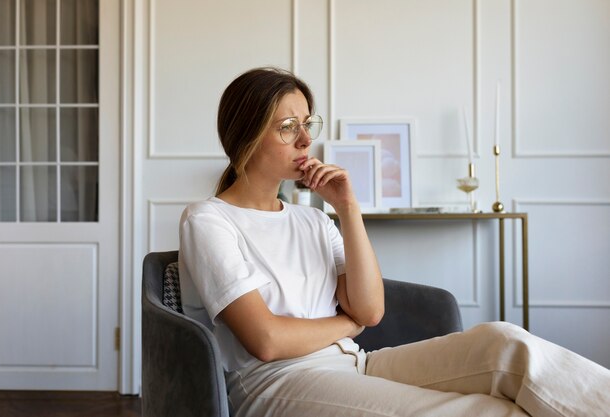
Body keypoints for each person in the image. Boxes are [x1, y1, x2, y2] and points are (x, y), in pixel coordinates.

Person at [179, 67, 610, 417]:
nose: (308, 140)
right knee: (486, 410)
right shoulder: (209, 220)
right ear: (246, 136)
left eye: (308, 124)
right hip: (277, 384)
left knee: (503, 343)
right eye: (289, 127)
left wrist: (348, 210)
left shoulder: (312, 219)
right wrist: (348, 326)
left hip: (355, 363)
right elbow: (267, 341)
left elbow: (370, 309)